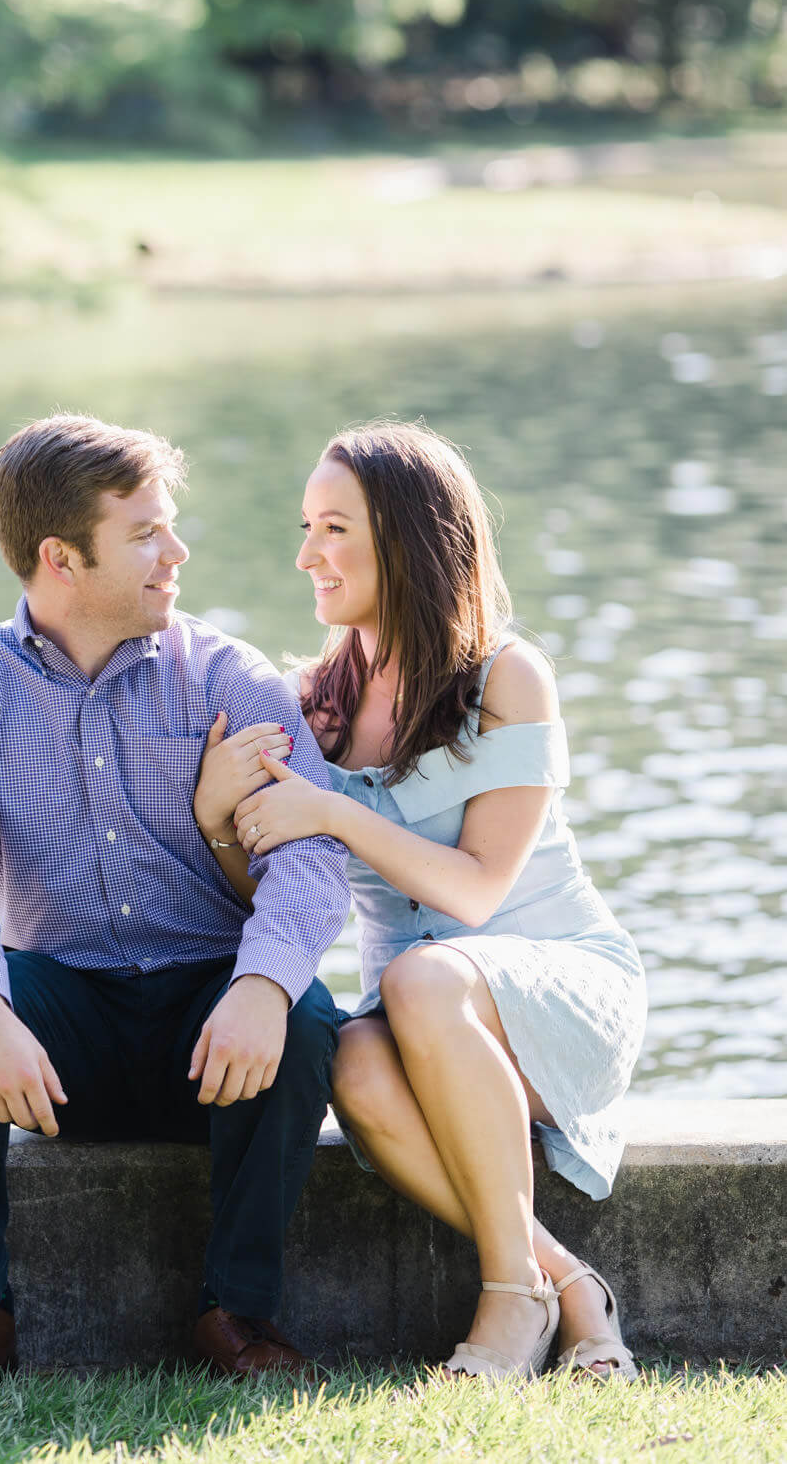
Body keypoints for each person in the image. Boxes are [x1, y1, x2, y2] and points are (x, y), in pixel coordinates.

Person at [0, 413, 349, 1381]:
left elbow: (310, 856)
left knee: (303, 1015)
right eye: (144, 533)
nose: (176, 552)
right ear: (61, 558)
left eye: (169, 526)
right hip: (66, 1025)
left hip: (214, 1026)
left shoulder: (230, 677)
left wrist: (262, 987)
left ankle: (240, 1319)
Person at [194, 420, 647, 1381]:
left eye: (333, 528)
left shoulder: (507, 678)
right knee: (347, 1059)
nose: (305, 555)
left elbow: (478, 892)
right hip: (417, 1010)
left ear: (404, 537)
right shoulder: (309, 699)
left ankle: (506, 1301)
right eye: (306, 527)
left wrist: (333, 811)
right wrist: (218, 824)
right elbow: (269, 893)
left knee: (426, 977)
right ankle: (566, 1285)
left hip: (556, 984)